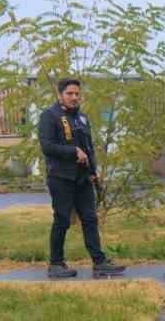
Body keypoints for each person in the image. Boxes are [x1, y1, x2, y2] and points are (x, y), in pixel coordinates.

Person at [36, 78, 126, 279]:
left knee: (90, 219)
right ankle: (56, 264)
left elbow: (89, 148)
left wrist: (93, 171)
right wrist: (72, 151)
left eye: (77, 94)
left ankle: (100, 263)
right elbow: (47, 146)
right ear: (60, 95)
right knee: (62, 220)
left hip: (83, 178)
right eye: (70, 93)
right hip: (60, 177)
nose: (74, 97)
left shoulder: (82, 118)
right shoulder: (49, 116)